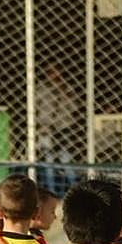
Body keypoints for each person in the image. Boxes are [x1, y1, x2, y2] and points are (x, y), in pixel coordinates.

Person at [35, 62, 80, 195]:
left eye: (56, 72)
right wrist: (39, 125)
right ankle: (51, 191)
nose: (53, 75)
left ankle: (77, 189)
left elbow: (74, 108)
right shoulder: (41, 88)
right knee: (48, 160)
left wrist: (63, 92)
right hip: (46, 128)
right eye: (50, 72)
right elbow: (35, 107)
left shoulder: (67, 87)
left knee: (65, 159)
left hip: (64, 127)